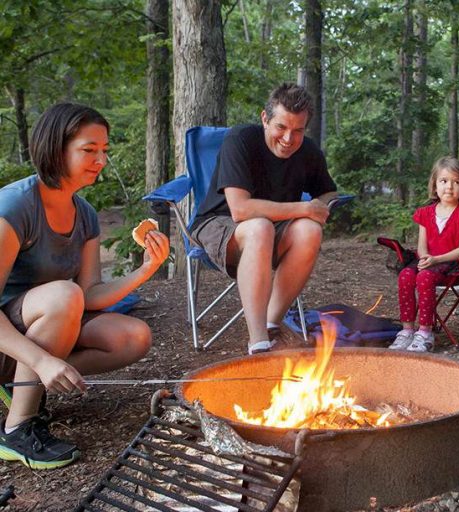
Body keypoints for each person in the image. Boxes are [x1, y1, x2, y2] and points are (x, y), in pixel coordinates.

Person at [0, 103, 170, 469]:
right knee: (65, 294)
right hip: (7, 339)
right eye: (89, 150)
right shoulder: (13, 207)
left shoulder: (85, 215)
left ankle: (21, 384)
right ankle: (17, 428)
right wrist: (42, 361)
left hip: (46, 325)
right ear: (55, 148)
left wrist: (145, 269)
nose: (101, 160)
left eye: (103, 151)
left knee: (133, 336)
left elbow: (91, 292)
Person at [190, 83, 337, 355]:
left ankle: (271, 325)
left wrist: (320, 206)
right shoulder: (241, 139)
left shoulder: (308, 152)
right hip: (219, 225)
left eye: (298, 131)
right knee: (260, 227)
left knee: (309, 231)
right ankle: (258, 343)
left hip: (272, 232)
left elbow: (328, 192)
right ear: (264, 119)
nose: (289, 139)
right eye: (281, 127)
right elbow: (240, 210)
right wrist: (304, 209)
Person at [389, 156, 459, 352]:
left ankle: (425, 332)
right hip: (429, 259)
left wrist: (435, 260)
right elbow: (422, 246)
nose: (449, 187)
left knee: (424, 276)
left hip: (455, 263)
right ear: (435, 185)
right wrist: (424, 258)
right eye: (444, 181)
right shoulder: (425, 213)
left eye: (456, 182)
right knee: (406, 274)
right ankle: (407, 330)